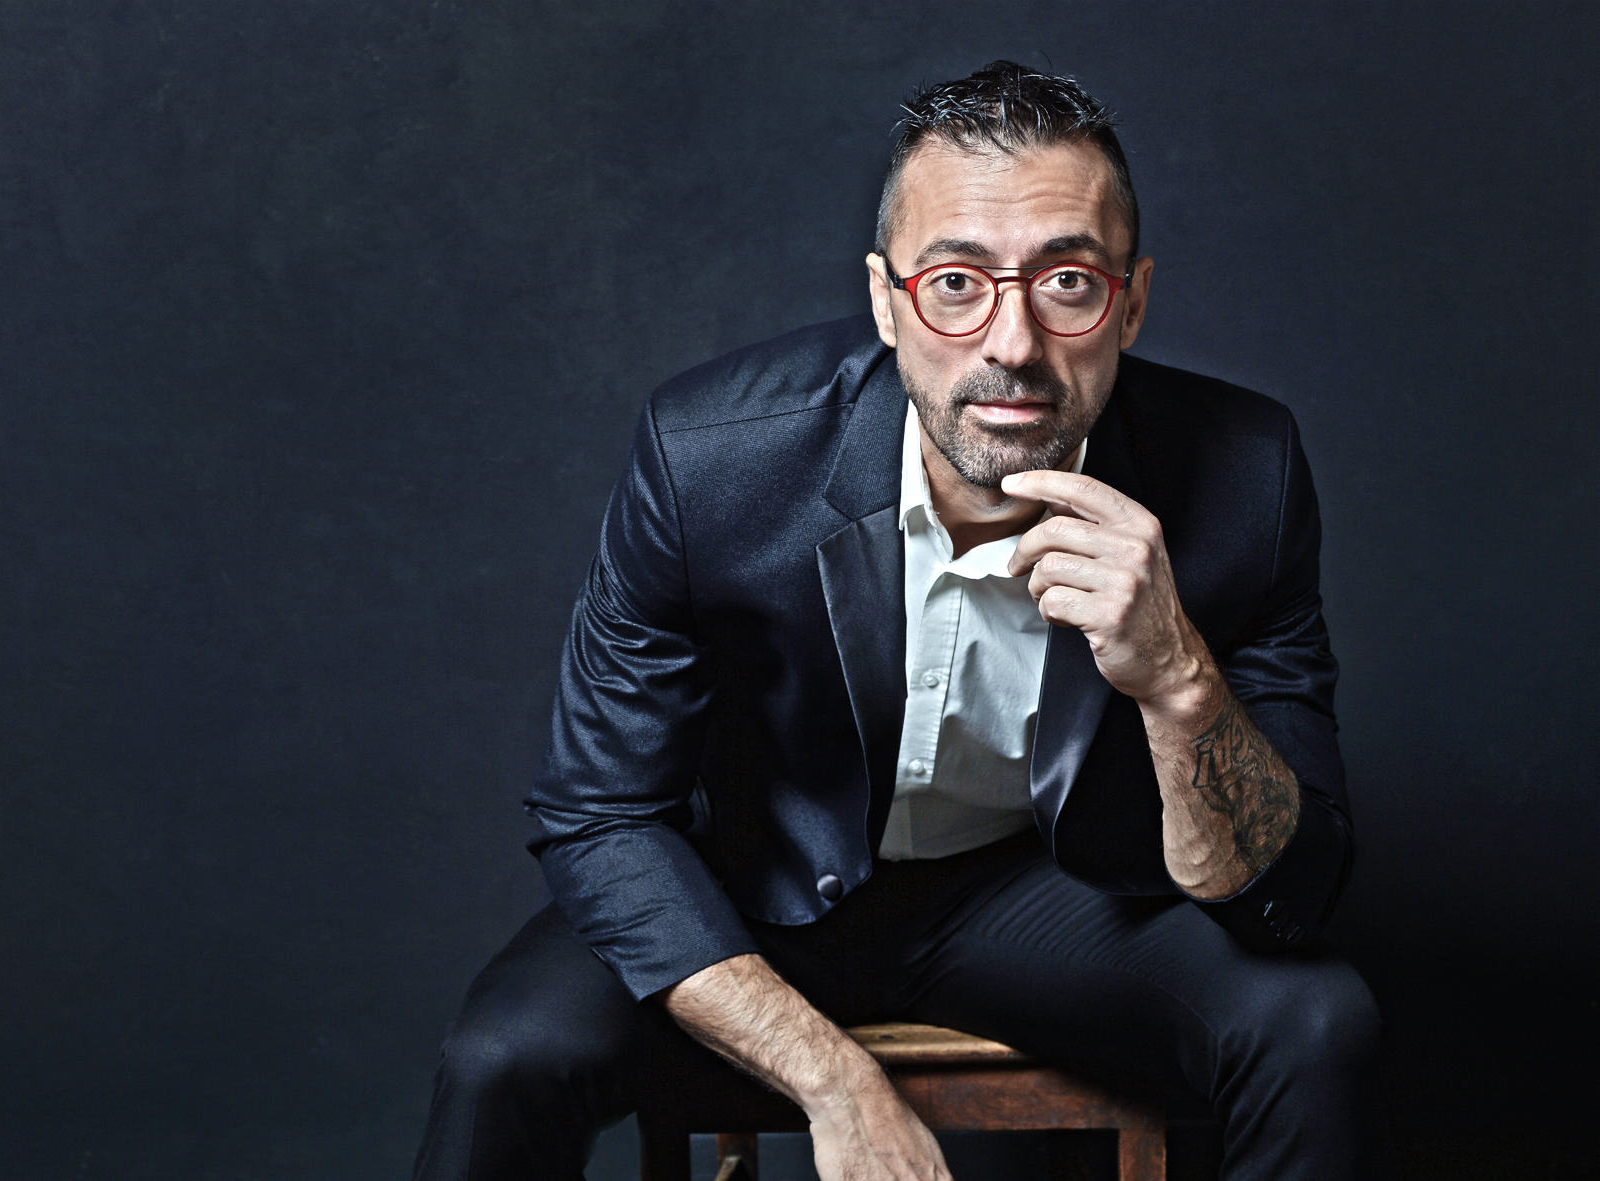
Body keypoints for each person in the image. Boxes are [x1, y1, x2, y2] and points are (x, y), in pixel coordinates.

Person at [414, 60, 1382, 1180]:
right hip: (748, 884)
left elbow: (1284, 892)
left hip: (1035, 898)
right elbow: (599, 813)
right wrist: (835, 1080)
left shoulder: (1245, 474)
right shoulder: (709, 458)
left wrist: (1176, 678)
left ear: (1131, 301)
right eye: (956, 282)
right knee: (504, 1057)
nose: (1011, 344)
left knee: (1315, 1022)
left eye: (1067, 281)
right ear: (885, 299)